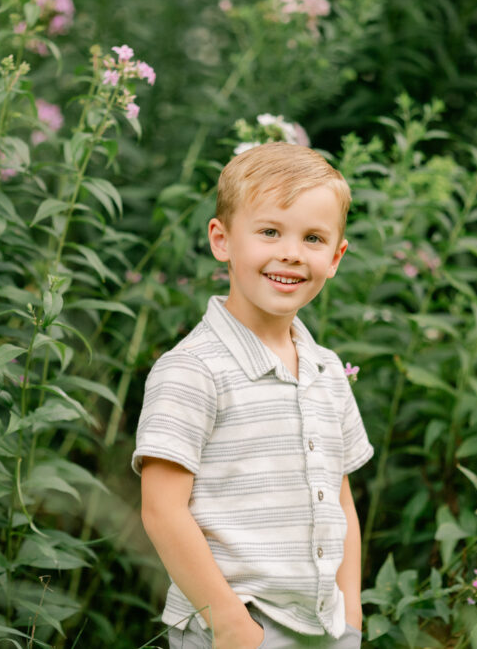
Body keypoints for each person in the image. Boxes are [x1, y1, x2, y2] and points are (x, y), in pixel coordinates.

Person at [132, 142, 374, 648]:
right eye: (269, 231)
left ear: (336, 256)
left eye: (313, 238)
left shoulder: (327, 371)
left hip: (325, 627)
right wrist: (230, 624)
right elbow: (162, 510)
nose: (290, 252)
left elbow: (341, 500)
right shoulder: (192, 369)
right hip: (236, 628)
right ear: (222, 240)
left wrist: (350, 612)